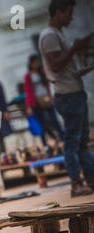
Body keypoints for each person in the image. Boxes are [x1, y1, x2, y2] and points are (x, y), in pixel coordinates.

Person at [38, 0, 94, 196]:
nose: (71, 18)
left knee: (81, 142)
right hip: (67, 95)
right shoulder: (50, 36)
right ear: (59, 12)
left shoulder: (57, 34)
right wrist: (75, 48)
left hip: (73, 91)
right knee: (73, 142)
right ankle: (76, 184)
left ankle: (89, 179)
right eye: (69, 13)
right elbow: (55, 66)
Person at [24, 54, 64, 146]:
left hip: (47, 99)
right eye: (34, 62)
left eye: (37, 62)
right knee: (41, 124)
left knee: (54, 120)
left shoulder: (42, 72)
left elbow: (49, 84)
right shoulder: (28, 76)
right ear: (30, 63)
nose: (36, 64)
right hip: (36, 103)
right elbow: (28, 91)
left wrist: (52, 95)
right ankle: (45, 143)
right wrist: (29, 106)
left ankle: (62, 137)